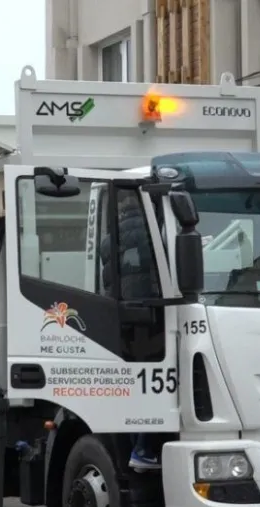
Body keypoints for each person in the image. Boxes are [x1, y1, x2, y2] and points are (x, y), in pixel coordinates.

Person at [99, 193, 163, 471]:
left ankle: (135, 444)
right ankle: (143, 447)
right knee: (156, 385)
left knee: (131, 386)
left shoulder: (108, 238)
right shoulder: (151, 232)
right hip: (148, 316)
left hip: (120, 317)